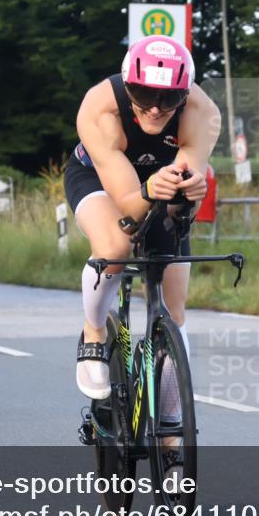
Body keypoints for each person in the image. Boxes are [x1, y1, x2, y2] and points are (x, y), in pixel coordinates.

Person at [64, 35, 220, 403]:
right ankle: (94, 331)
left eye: (168, 99)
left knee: (174, 310)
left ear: (185, 93)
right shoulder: (101, 108)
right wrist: (149, 191)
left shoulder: (203, 112)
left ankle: (168, 425)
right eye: (145, 95)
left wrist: (189, 197)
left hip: (161, 184)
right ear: (127, 85)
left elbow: (181, 209)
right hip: (99, 178)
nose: (155, 108)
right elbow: (130, 209)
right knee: (116, 246)